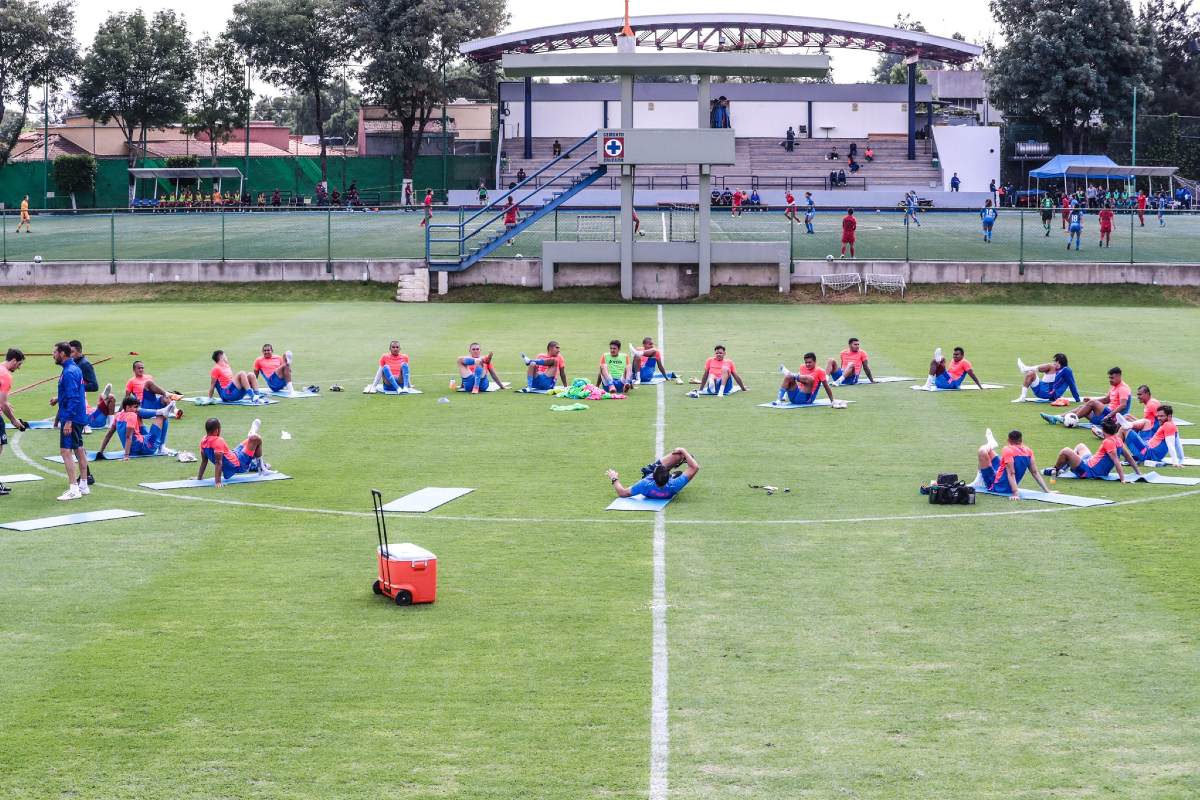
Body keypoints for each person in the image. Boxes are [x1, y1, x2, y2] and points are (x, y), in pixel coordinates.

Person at [1048, 418, 1141, 482]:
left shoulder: (1108, 442)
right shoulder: (1118, 440)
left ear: (1103, 430)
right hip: (1089, 463)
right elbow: (1129, 457)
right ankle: (1065, 467)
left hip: (1088, 472)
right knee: (1080, 446)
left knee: (1066, 451)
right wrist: (1138, 473)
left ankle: (1055, 469)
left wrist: (1122, 479)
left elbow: (1116, 461)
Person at [53, 342, 90, 501]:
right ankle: (84, 484)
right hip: (78, 416)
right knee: (79, 448)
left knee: (65, 451)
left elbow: (73, 398)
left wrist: (67, 421)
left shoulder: (68, 372)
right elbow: (74, 393)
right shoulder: (74, 368)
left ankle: (74, 488)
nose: (53, 355)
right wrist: (58, 398)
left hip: (72, 418)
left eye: (55, 352)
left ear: (62, 353)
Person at [1041, 366, 1130, 427]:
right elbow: (1106, 400)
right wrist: (1091, 401)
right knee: (1082, 407)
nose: (1110, 380)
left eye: (1112, 378)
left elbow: (1123, 405)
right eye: (1109, 378)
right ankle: (1056, 418)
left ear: (1119, 376)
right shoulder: (1114, 387)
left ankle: (1071, 420)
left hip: (1113, 418)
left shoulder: (1123, 388)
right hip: (1103, 417)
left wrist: (1109, 415)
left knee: (1092, 403)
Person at [977, 428, 1054, 498]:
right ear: (1021, 440)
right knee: (990, 452)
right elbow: (1035, 472)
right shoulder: (1028, 451)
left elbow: (1011, 473)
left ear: (1009, 440)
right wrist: (1047, 491)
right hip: (1002, 476)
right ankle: (991, 445)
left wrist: (1015, 493)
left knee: (982, 451)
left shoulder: (1007, 449)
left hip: (997, 486)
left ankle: (991, 445)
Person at [95, 394, 177, 459]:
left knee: (139, 414)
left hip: (134, 449)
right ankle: (162, 447)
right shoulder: (132, 415)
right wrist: (126, 456)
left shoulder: (118, 415)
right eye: (135, 407)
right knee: (162, 416)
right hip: (148, 446)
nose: (137, 409)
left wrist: (101, 451)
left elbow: (109, 434)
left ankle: (161, 411)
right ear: (128, 407)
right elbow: (128, 437)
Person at [197, 417, 270, 487]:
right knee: (256, 439)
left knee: (250, 440)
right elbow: (218, 462)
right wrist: (218, 482)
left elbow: (204, 461)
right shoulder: (218, 441)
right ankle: (262, 468)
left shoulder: (203, 441)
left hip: (234, 454)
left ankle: (251, 435)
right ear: (217, 430)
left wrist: (199, 477)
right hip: (239, 464)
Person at [607, 446, 699, 500]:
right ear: (669, 478)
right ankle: (681, 460)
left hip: (652, 484)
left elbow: (622, 493)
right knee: (679, 454)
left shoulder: (645, 484)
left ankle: (677, 465)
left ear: (652, 476)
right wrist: (683, 450)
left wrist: (614, 478)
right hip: (668, 487)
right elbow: (694, 467)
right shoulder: (675, 485)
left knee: (676, 457)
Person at [0, 348, 30, 496]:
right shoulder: (6, 375)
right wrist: (13, 420)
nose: (19, 368)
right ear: (13, 360)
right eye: (19, 364)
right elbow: (3, 403)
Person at [1014, 353, 1080, 403]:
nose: (1054, 363)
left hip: (1049, 392)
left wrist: (1077, 399)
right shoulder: (1056, 369)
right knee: (1030, 373)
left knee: (1050, 366)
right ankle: (1022, 397)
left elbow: (1072, 385)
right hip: (1040, 389)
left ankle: (1026, 369)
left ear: (1058, 362)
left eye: (1055, 361)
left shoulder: (1067, 370)